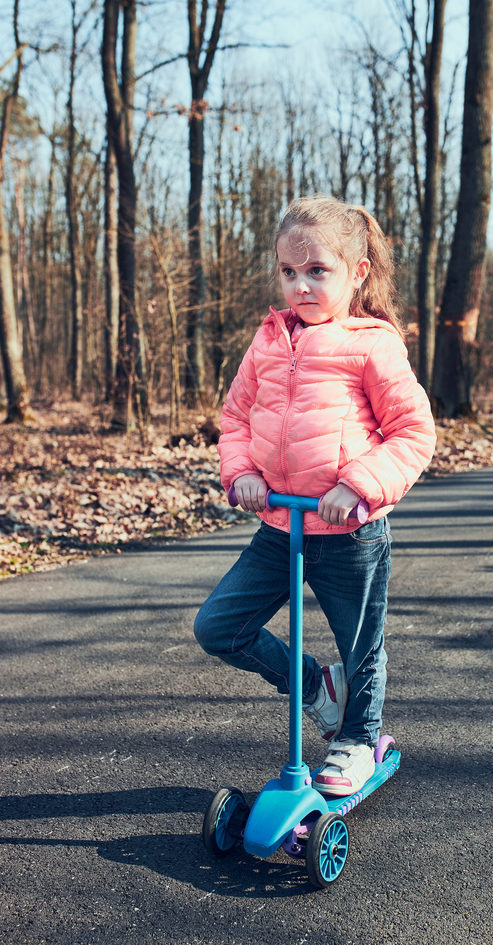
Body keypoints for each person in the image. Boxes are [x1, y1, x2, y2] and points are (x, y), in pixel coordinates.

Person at [194, 195, 436, 797]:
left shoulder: (371, 344)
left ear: (356, 273)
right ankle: (312, 686)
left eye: (317, 271)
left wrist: (357, 485)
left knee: (361, 646)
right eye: (288, 272)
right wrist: (241, 473)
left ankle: (358, 739)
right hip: (280, 526)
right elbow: (236, 420)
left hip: (350, 533)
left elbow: (413, 433)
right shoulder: (270, 340)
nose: (300, 285)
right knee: (219, 627)